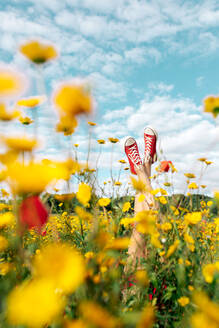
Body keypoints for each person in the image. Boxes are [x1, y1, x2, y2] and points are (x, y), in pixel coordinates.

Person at [124, 126, 158, 271]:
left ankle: (140, 168)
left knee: (140, 227)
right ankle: (145, 165)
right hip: (154, 282)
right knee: (151, 227)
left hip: (133, 280)